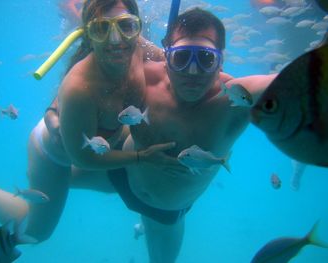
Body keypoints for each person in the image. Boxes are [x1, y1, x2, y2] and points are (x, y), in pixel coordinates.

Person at [0, 0, 176, 244]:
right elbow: (84, 158)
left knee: (120, 181)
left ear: (137, 27)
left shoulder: (135, 47)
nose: (116, 40)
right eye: (101, 29)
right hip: (55, 154)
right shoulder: (79, 87)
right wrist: (141, 157)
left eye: (126, 25)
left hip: (95, 142)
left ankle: (60, 185)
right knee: (35, 233)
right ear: (90, 34)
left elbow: (172, 64)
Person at [105, 8, 277, 262]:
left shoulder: (237, 99)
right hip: (118, 170)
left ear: (221, 60)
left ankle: (144, 225)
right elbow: (106, 27)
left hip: (165, 214)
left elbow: (297, 78)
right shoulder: (143, 76)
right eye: (182, 57)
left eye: (206, 59)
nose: (193, 72)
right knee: (49, 167)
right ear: (167, 56)